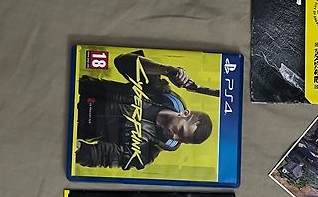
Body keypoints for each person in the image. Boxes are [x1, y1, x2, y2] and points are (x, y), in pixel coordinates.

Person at [74, 50, 214, 170]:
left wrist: (77, 149)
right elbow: (123, 62)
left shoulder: (145, 152)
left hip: (76, 125)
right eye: (181, 131)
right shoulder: (159, 91)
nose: (175, 137)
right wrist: (166, 70)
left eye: (182, 140)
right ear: (185, 113)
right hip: (78, 89)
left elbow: (102, 156)